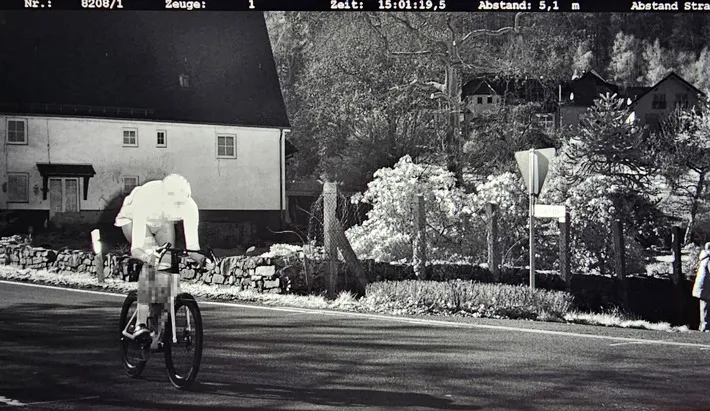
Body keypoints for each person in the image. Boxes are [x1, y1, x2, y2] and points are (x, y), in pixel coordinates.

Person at [114, 173, 212, 340]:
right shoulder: (147, 200)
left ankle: (156, 325)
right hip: (132, 219)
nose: (179, 209)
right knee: (152, 264)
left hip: (162, 222)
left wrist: (203, 260)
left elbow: (192, 248)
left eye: (181, 205)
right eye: (176, 206)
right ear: (166, 200)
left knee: (167, 262)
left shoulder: (189, 205)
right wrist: (148, 258)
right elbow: (136, 249)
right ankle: (140, 324)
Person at [692, 242, 710, 332]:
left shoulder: (704, 258)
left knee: (703, 306)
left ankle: (703, 325)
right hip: (706, 286)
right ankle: (705, 326)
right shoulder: (709, 259)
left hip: (702, 286)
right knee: (706, 307)